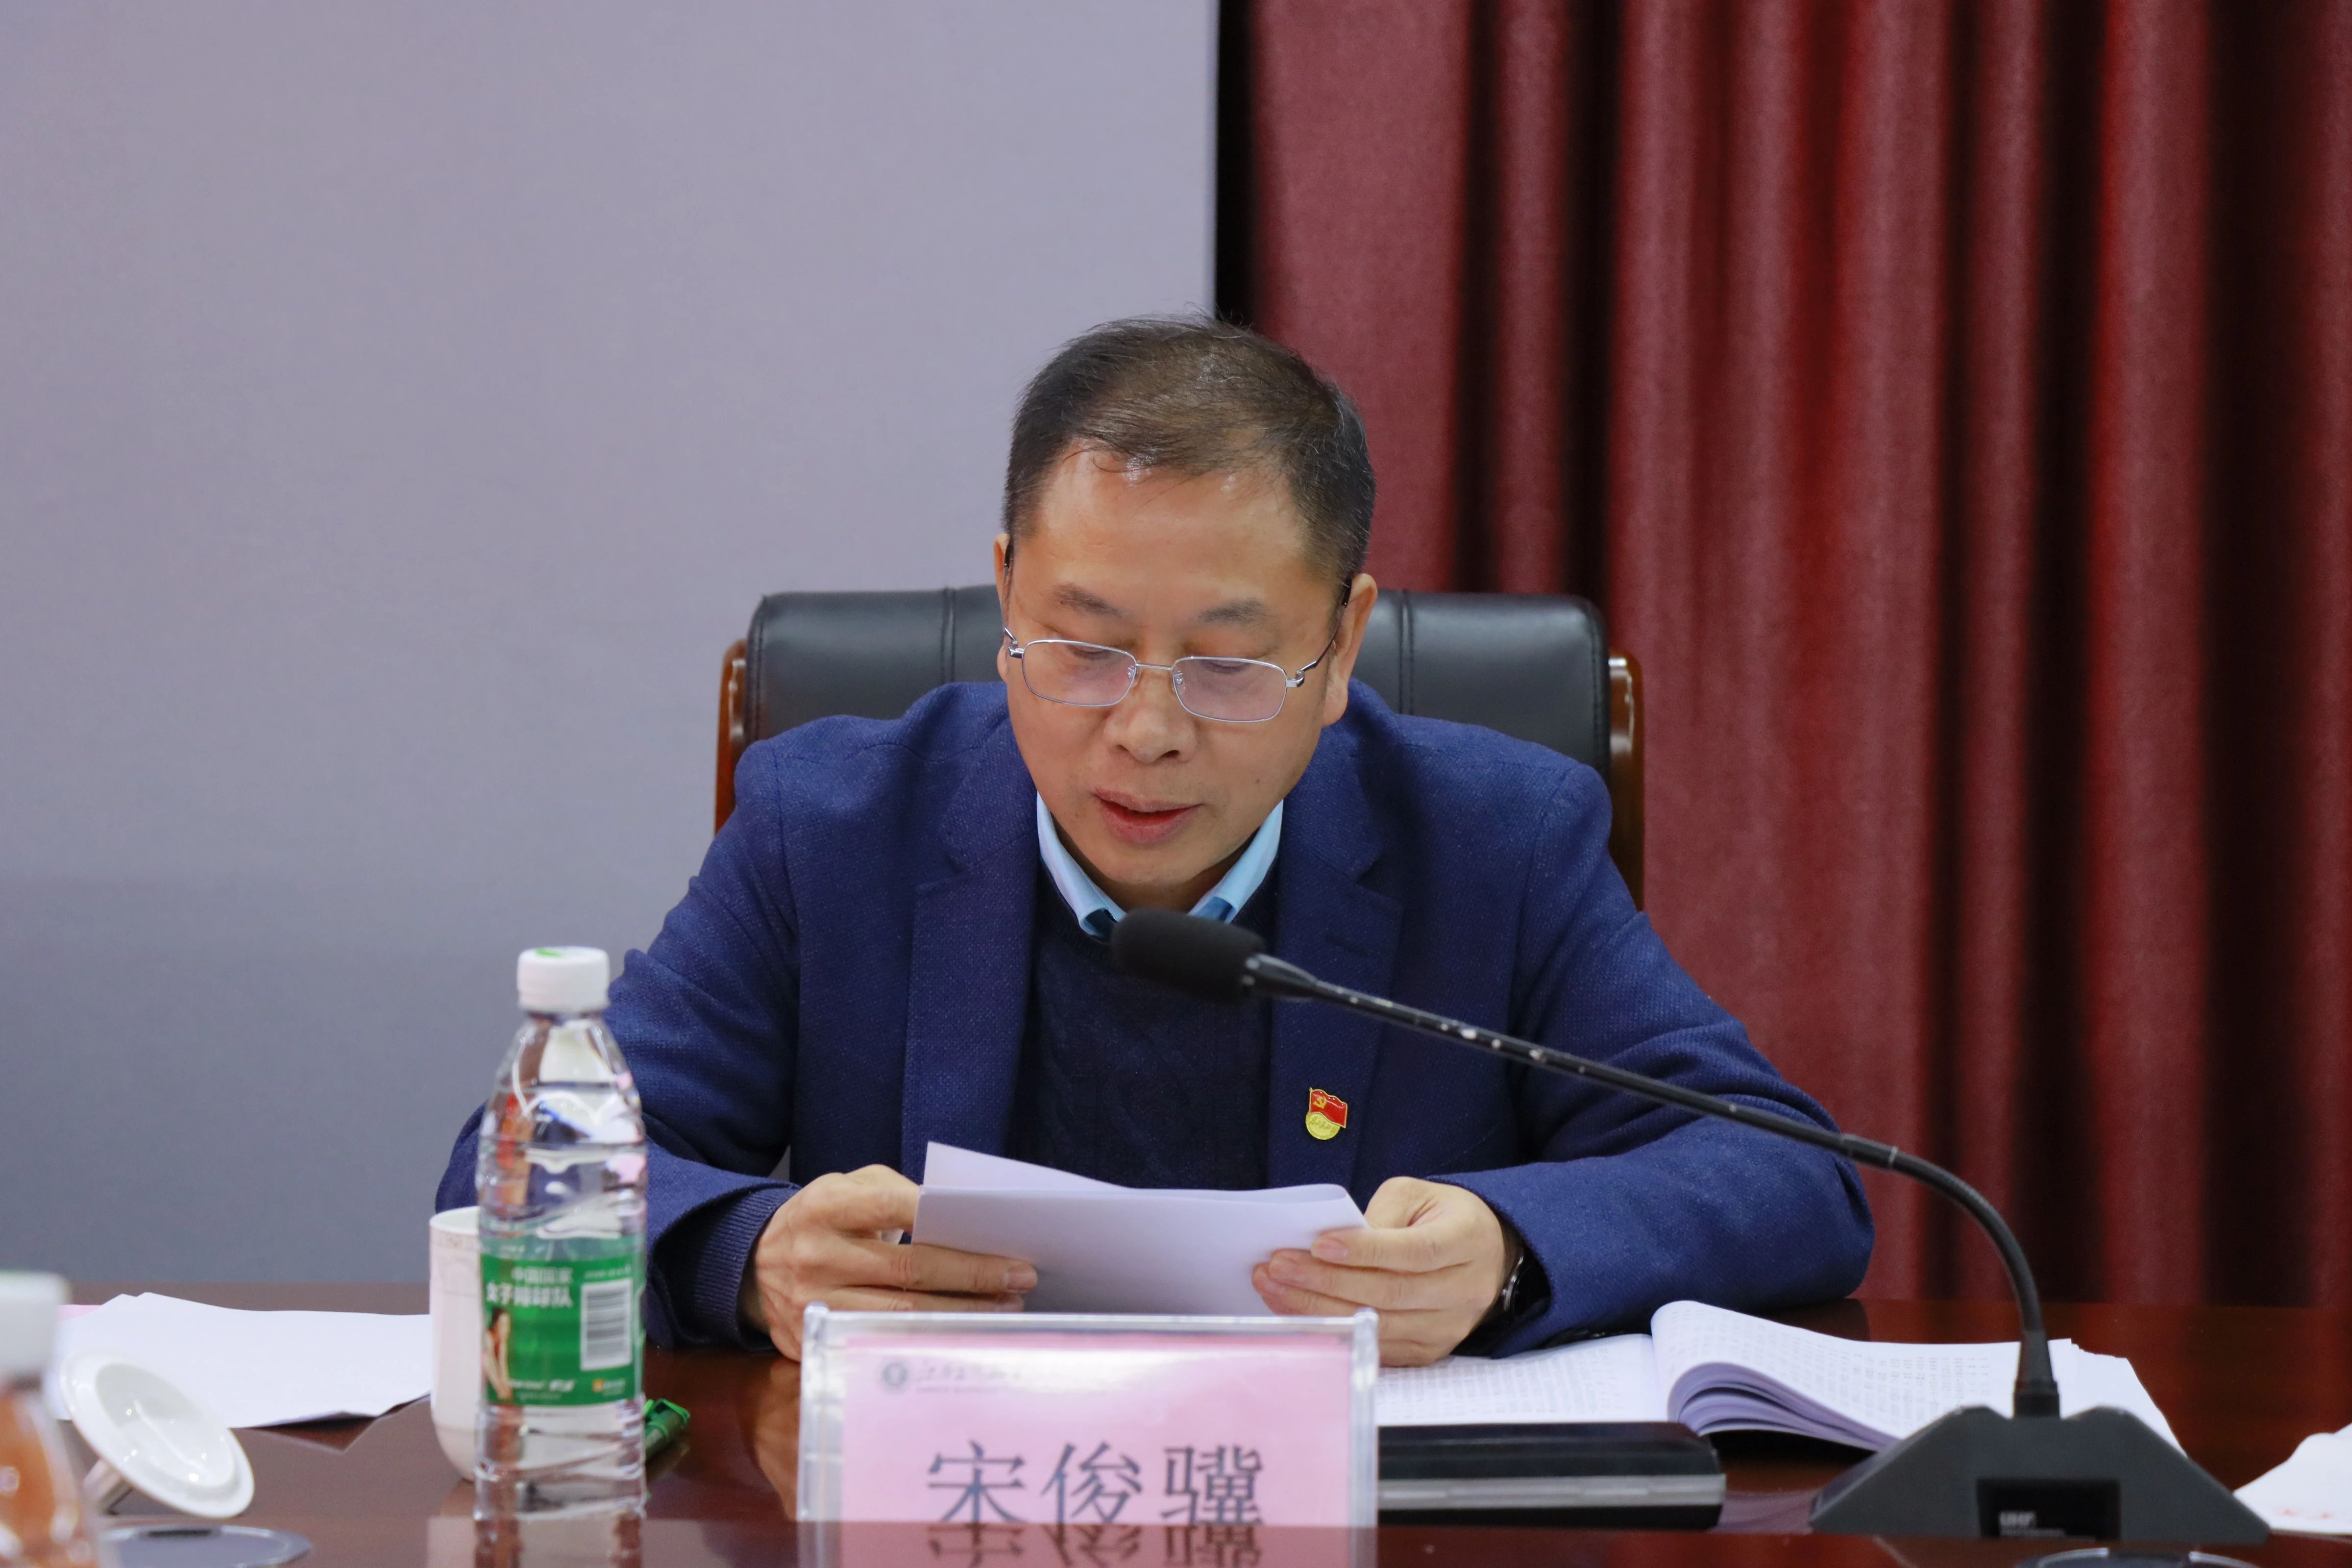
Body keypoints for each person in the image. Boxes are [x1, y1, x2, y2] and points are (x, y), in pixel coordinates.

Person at [435, 317, 1872, 1366]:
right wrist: (752, 1258)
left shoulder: (1494, 838)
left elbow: (1790, 1177)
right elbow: (515, 1175)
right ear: (1007, 593)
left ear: (1343, 641)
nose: (1146, 730)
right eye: (1084, 647)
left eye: (1230, 664)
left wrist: (1507, 1255)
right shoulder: (834, 826)